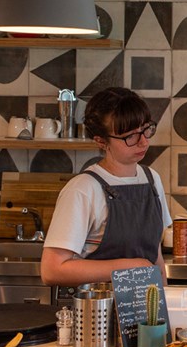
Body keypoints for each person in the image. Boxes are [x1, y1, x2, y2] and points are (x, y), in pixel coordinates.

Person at [41, 87, 172, 286]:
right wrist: (129, 267)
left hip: (147, 311)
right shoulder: (83, 189)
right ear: (101, 141)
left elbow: (156, 257)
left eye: (146, 129)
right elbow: (52, 270)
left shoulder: (152, 180)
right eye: (130, 136)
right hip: (97, 311)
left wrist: (164, 303)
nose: (143, 141)